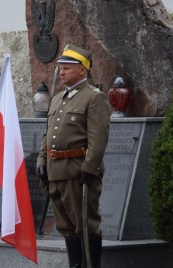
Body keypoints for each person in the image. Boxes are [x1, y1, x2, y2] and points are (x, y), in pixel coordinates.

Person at [36, 44, 110, 268]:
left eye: (68, 67)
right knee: (66, 226)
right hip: (55, 171)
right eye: (61, 68)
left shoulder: (94, 98)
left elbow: (98, 138)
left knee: (85, 225)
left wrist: (90, 167)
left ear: (82, 70)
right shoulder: (57, 99)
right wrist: (42, 160)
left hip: (78, 172)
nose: (62, 72)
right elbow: (48, 133)